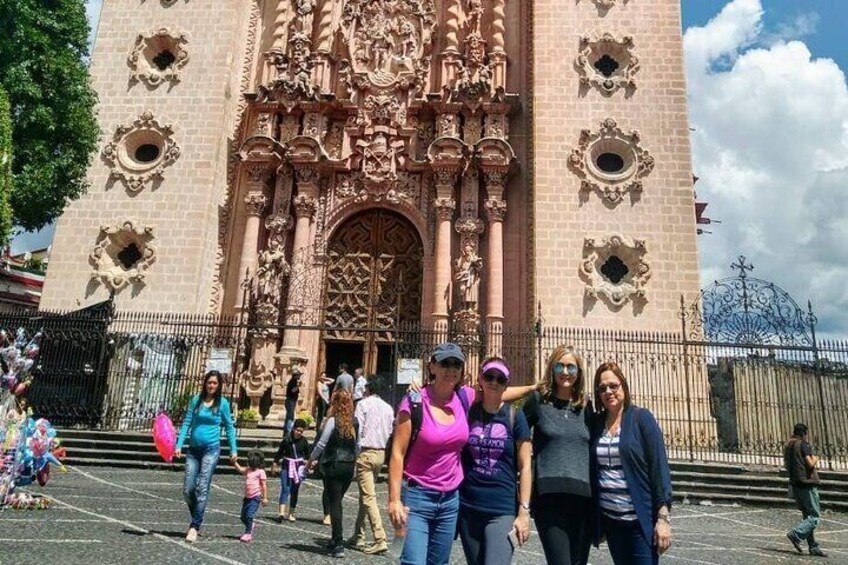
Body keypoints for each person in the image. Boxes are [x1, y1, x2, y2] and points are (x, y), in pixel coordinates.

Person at [388, 342, 537, 565]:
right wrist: (394, 500)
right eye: (445, 363)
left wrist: (534, 387)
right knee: (414, 561)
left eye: (456, 363)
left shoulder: (464, 398)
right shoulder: (415, 401)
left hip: (450, 500)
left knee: (439, 562)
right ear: (432, 367)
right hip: (419, 496)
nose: (451, 368)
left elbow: (495, 392)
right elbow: (397, 454)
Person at [591, 361, 672, 565]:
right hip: (612, 523)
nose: (608, 391)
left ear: (624, 387)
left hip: (639, 523)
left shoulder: (641, 418)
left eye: (613, 386)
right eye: (602, 388)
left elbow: (659, 468)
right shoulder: (596, 423)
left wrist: (663, 519)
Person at [522, 345, 594, 564]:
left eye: (571, 367)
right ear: (551, 368)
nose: (565, 372)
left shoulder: (585, 406)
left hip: (583, 497)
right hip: (549, 497)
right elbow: (516, 431)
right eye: (559, 366)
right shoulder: (538, 401)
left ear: (579, 372)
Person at [458, 357, 532, 565]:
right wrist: (419, 387)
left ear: (506, 384)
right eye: (489, 376)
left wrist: (524, 511)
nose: (494, 382)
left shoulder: (515, 417)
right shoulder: (468, 411)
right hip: (468, 507)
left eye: (500, 379)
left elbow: (526, 466)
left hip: (501, 509)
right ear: (480, 378)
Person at [174, 370, 238, 542]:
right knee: (188, 489)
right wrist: (179, 444)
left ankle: (194, 525)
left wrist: (234, 450)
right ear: (205, 383)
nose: (211, 386)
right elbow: (187, 422)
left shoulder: (223, 404)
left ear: (219, 385)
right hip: (193, 450)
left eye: (215, 383)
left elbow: (230, 427)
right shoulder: (196, 400)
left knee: (202, 487)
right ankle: (197, 515)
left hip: (211, 449)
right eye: (209, 382)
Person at [307, 389, 359, 558]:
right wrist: (355, 465)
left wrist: (310, 459)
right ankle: (334, 540)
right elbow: (358, 446)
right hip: (348, 466)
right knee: (337, 500)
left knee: (334, 503)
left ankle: (338, 543)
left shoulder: (332, 421)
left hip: (334, 465)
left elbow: (322, 444)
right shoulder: (354, 422)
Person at [350, 375, 395, 555]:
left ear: (368, 389)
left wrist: (356, 451)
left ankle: (379, 537)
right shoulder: (389, 408)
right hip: (381, 453)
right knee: (365, 495)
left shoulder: (363, 404)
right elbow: (391, 431)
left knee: (369, 497)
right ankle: (358, 535)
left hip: (366, 453)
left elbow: (357, 427)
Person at [784, 423, 826, 557]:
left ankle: (813, 547)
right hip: (806, 484)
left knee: (807, 517)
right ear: (803, 434)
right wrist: (817, 458)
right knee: (814, 517)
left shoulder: (788, 445)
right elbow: (810, 463)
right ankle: (796, 534)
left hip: (795, 484)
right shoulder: (803, 444)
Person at [272, 418, 310, 522]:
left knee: (295, 490)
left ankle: (291, 513)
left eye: (301, 431)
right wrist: (275, 464)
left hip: (298, 467)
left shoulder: (304, 441)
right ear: (293, 429)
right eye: (297, 430)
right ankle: (281, 513)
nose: (299, 433)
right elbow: (279, 453)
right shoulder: (286, 440)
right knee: (285, 488)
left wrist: (309, 464)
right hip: (287, 466)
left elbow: (308, 454)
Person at [233, 449, 268, 543]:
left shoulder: (261, 472)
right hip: (247, 497)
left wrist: (264, 498)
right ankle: (250, 524)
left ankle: (248, 533)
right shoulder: (248, 470)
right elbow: (240, 470)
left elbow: (264, 485)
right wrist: (235, 462)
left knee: (249, 515)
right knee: (243, 517)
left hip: (255, 497)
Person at [284, 368, 302, 435]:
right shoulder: (293, 381)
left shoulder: (293, 381)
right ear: (296, 375)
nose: (299, 376)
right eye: (299, 375)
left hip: (291, 400)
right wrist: (298, 386)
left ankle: (286, 431)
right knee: (290, 416)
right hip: (290, 400)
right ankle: (289, 431)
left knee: (289, 415)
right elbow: (292, 390)